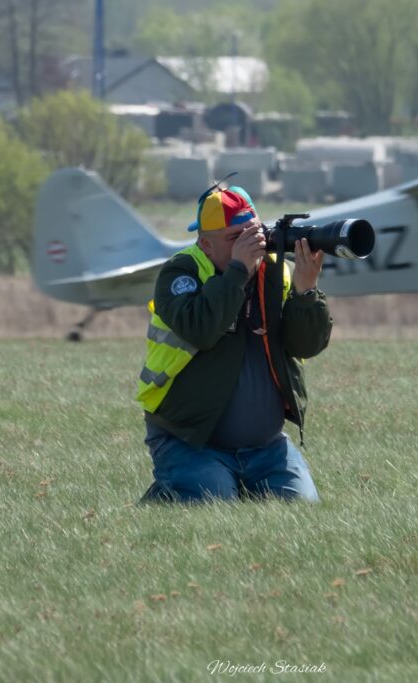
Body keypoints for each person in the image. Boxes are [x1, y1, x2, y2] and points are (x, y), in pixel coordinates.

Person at [136, 182, 332, 503]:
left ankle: (224, 482)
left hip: (266, 447)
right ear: (205, 245)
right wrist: (239, 270)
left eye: (253, 233)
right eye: (234, 238)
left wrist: (305, 292)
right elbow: (199, 328)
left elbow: (306, 346)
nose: (250, 244)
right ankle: (169, 492)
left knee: (301, 510)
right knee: (212, 505)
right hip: (190, 440)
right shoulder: (180, 273)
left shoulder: (275, 273)